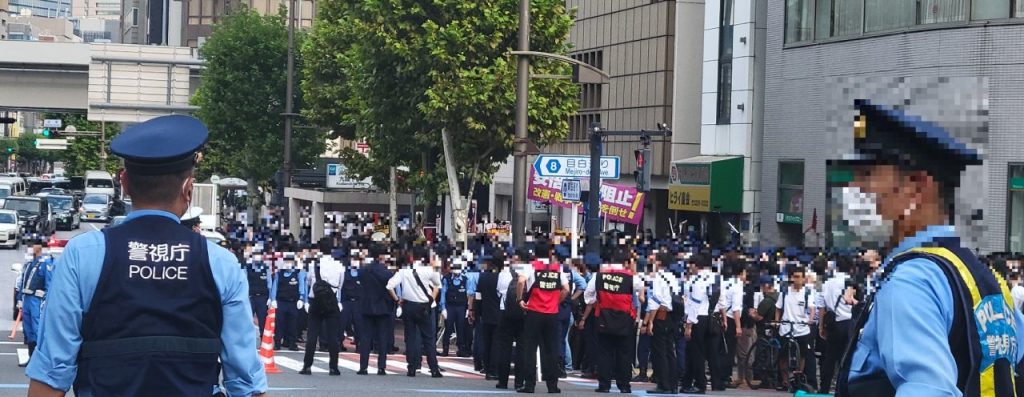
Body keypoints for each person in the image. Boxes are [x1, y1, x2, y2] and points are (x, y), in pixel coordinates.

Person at [26, 115, 267, 397]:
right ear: (188, 188)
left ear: (124, 183)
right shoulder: (220, 263)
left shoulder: (83, 254)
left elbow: (52, 373)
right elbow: (245, 380)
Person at [836, 100, 1024, 396]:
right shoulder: (989, 281)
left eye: (867, 175)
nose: (854, 190)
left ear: (917, 187)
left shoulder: (910, 282)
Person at [581, 249, 643, 394]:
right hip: (625, 319)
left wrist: (596, 301)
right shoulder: (631, 277)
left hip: (604, 317)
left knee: (604, 353)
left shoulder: (599, 276)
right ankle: (625, 385)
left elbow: (588, 295)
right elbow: (641, 289)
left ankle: (604, 385)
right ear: (626, 262)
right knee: (625, 353)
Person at [516, 239, 569, 394]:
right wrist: (555, 301)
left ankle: (530, 384)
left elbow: (520, 281)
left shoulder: (531, 266)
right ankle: (552, 385)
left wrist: (520, 299)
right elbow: (566, 289)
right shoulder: (557, 268)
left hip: (534, 313)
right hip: (552, 314)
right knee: (551, 349)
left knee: (530, 349)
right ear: (550, 253)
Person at [387, 247, 444, 378]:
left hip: (409, 305)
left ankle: (411, 368)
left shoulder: (404, 271)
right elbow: (437, 286)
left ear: (412, 258)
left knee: (411, 338)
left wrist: (397, 300)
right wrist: (430, 301)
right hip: (425, 306)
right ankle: (434, 369)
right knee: (429, 339)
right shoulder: (430, 270)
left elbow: (389, 286)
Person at [818, 255, 856, 393]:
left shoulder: (827, 283)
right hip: (848, 323)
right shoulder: (851, 283)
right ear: (851, 268)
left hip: (833, 323)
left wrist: (821, 326)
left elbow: (822, 307)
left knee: (830, 357)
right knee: (845, 359)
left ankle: (824, 389)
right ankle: (843, 389)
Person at [300, 254, 343, 375]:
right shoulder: (338, 265)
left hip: (316, 300)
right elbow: (341, 284)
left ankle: (307, 366)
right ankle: (333, 367)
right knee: (333, 336)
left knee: (312, 334)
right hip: (332, 300)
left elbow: (308, 281)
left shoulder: (314, 264)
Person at [645, 252, 681, 394]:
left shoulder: (658, 278)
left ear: (659, 263)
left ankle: (663, 384)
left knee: (660, 352)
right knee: (670, 351)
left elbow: (656, 300)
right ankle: (673, 384)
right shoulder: (672, 277)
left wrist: (651, 321)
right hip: (672, 316)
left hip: (661, 315)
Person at [356, 244, 395, 375]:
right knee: (383, 337)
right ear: (381, 256)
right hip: (383, 307)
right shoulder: (387, 272)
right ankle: (381, 366)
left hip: (366, 306)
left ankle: (363, 366)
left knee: (365, 337)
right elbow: (390, 287)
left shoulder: (363, 270)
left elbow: (359, 280)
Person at [19, 241, 52, 359]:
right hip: (27, 299)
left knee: (37, 329)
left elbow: (49, 284)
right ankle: (30, 358)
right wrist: (19, 299)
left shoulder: (45, 263)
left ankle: (39, 359)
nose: (30, 248)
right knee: (28, 330)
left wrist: (45, 299)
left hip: (36, 300)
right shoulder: (29, 263)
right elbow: (23, 282)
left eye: (32, 245)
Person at [270, 252, 306, 351]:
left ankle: (292, 343)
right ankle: (277, 342)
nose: (288, 264)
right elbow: (275, 287)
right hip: (281, 302)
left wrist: (301, 298)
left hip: (293, 302)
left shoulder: (298, 273)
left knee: (293, 324)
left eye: (290, 261)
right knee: (279, 324)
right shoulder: (279, 273)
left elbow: (302, 286)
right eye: (287, 261)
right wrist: (273, 299)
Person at [440, 259, 471, 357]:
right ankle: (445, 348)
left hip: (461, 307)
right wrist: (443, 308)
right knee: (448, 328)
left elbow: (468, 295)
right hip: (450, 306)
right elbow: (443, 294)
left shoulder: (465, 280)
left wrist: (468, 308)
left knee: (461, 328)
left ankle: (461, 348)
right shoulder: (447, 279)